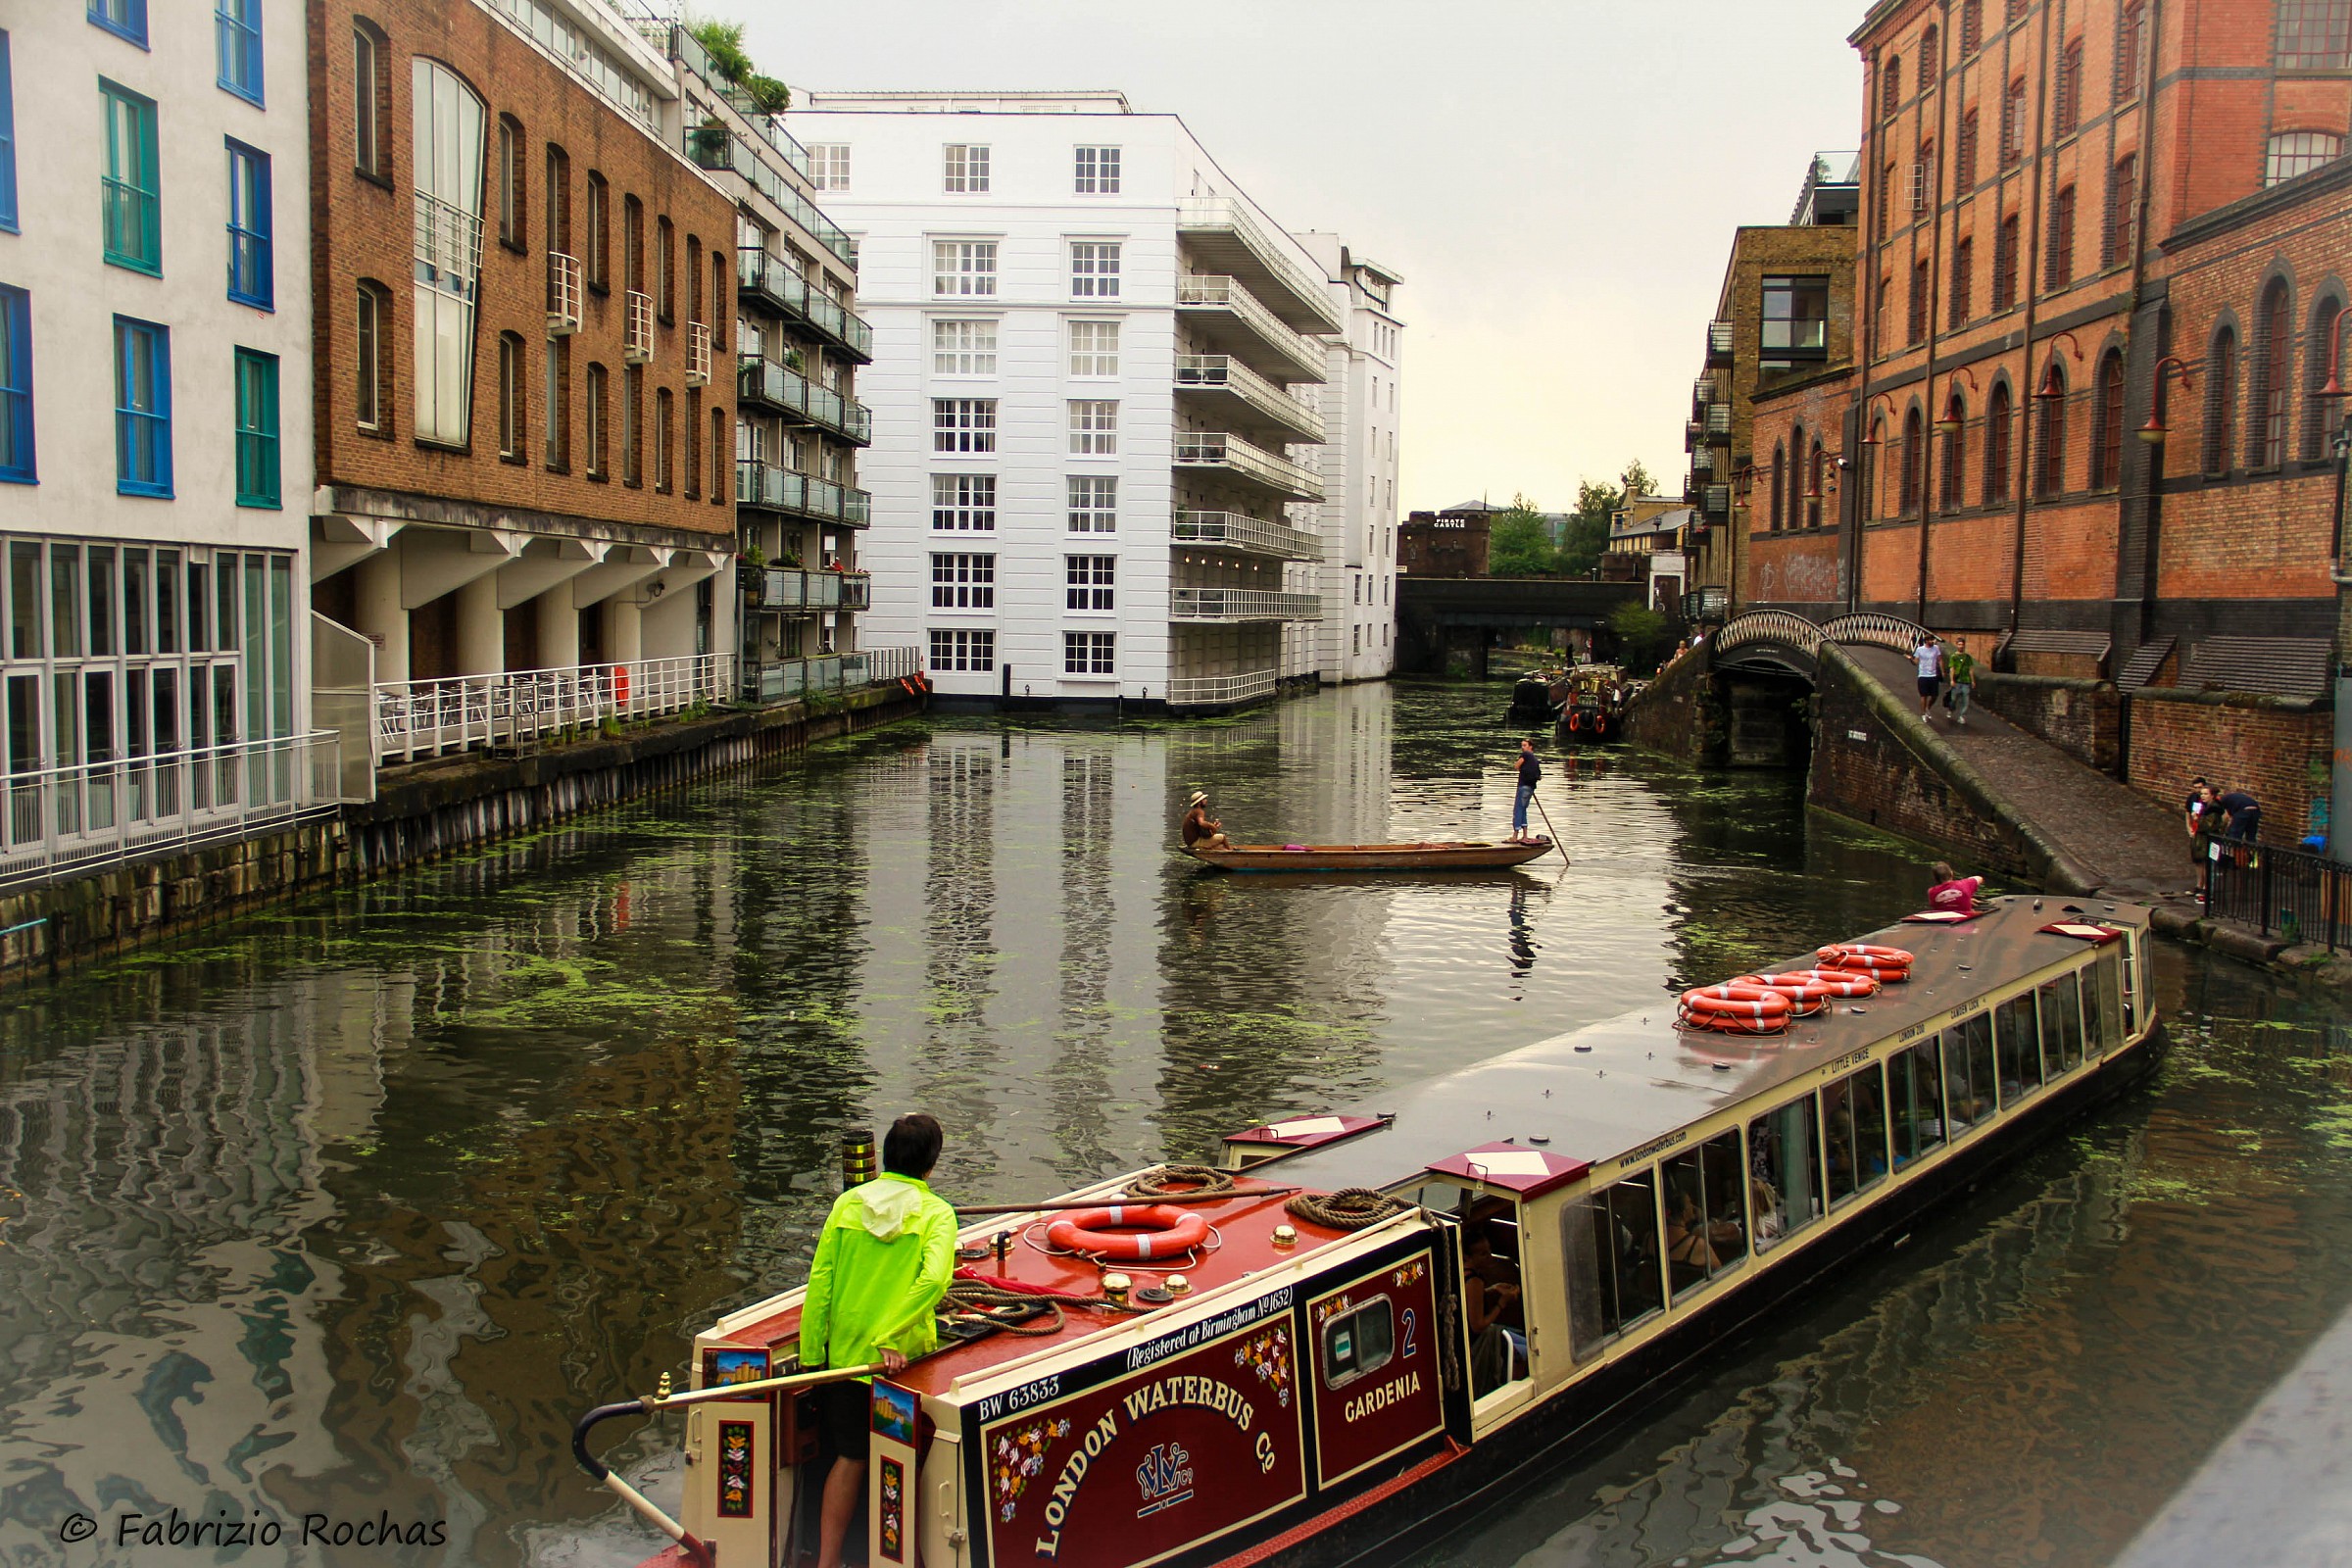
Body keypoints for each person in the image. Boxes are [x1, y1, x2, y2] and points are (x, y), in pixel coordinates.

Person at [800, 1114, 957, 1568]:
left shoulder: (847, 1205)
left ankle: (827, 1562)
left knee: (849, 1458)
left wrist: (812, 1357)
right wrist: (890, 1335)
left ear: (886, 1157)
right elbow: (935, 1281)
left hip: (846, 1359)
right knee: (907, 1460)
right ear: (931, 1164)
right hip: (901, 1364)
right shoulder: (936, 1214)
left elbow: (821, 1283)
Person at [1510, 738, 1543, 844]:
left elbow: (1516, 766)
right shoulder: (1535, 759)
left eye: (1524, 745)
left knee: (1518, 810)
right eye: (1522, 745)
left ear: (1530, 746)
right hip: (1530, 788)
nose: (1522, 747)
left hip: (1523, 786)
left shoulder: (1526, 755)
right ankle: (1525, 836)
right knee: (1523, 810)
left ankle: (1515, 836)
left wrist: (1521, 769)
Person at [1945, 644, 1978, 726]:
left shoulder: (1967, 657)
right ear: (1957, 645)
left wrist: (1972, 681)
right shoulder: (1954, 657)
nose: (1961, 646)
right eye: (1959, 644)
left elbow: (1970, 669)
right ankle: (1951, 709)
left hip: (1966, 681)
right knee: (1953, 699)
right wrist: (1952, 680)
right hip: (1957, 681)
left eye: (1962, 645)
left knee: (1965, 700)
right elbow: (1952, 669)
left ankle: (1962, 716)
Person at [1913, 632, 1944, 717]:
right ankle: (1923, 713)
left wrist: (1942, 671)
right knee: (1924, 696)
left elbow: (1940, 659)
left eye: (1933, 640)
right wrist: (1911, 659)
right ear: (1926, 641)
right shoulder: (1920, 649)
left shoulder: (1936, 648)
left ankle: (1928, 708)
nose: (1932, 641)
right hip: (1923, 676)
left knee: (1935, 696)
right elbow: (1916, 662)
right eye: (1930, 640)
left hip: (1933, 675)